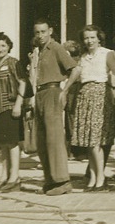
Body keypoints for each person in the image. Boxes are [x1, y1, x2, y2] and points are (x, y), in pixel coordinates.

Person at [27, 19, 77, 195]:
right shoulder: (39, 51)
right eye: (37, 32)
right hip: (40, 94)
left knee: (54, 139)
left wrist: (65, 91)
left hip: (53, 92)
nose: (40, 35)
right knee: (42, 141)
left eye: (43, 31)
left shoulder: (55, 48)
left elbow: (75, 69)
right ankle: (50, 180)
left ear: (50, 31)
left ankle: (63, 181)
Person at [68, 25, 115, 191]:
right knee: (89, 141)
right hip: (84, 97)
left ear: (99, 38)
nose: (89, 41)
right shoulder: (83, 57)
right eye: (86, 38)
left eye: (92, 37)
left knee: (96, 140)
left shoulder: (107, 53)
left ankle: (101, 178)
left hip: (99, 97)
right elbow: (76, 75)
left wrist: (114, 94)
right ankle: (93, 177)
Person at [0, 32, 27, 191]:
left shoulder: (13, 62)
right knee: (2, 144)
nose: (0, 48)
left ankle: (15, 177)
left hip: (10, 107)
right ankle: (4, 176)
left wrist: (18, 104)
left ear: (9, 46)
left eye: (3, 45)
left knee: (12, 142)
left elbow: (22, 82)